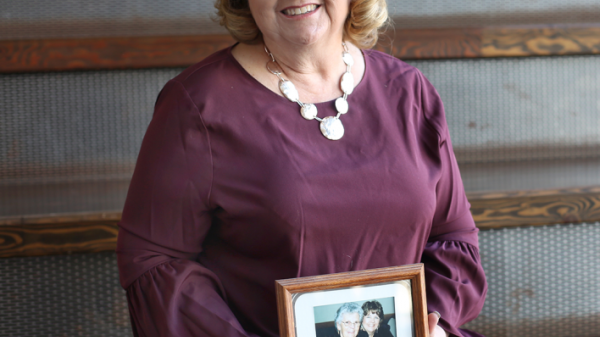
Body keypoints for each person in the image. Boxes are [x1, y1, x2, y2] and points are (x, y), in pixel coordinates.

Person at [116, 0, 487, 335]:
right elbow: (156, 260)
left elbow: (453, 237)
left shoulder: (409, 91)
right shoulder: (197, 105)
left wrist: (432, 325)